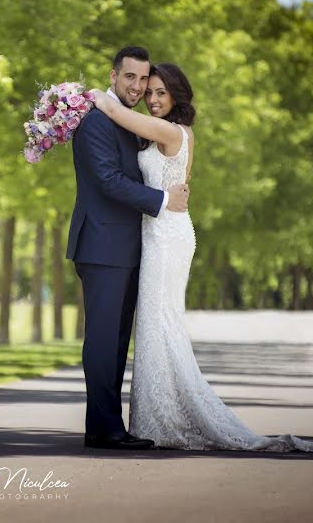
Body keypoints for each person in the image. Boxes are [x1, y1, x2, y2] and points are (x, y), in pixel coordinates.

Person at [91, 62, 313, 452]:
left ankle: (166, 420)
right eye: (150, 92)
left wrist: (77, 98)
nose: (152, 98)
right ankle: (157, 418)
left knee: (159, 322)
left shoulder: (169, 130)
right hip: (162, 230)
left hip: (166, 236)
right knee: (155, 324)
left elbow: (114, 111)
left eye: (161, 92)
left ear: (178, 96)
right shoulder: (169, 134)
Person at [66, 46, 190, 450]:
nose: (137, 87)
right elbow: (107, 179)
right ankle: (104, 428)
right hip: (102, 246)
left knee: (117, 340)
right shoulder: (95, 121)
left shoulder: (132, 122)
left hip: (130, 247)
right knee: (103, 340)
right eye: (130, 78)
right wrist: (161, 201)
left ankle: (105, 427)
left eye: (143, 80)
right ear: (114, 75)